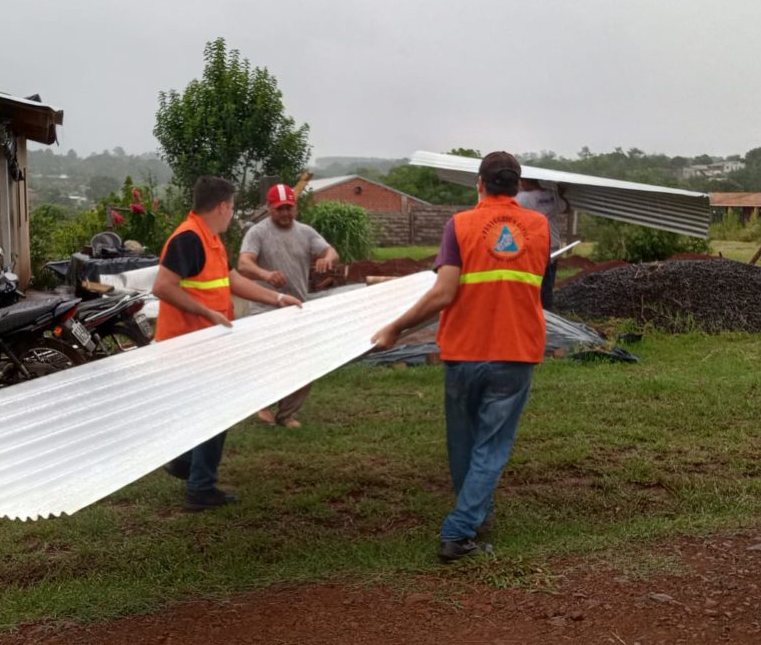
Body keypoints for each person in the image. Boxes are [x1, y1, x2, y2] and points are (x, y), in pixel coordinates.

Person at [372, 151, 550, 564]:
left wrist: (395, 328)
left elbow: (443, 292)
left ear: (480, 184)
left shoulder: (461, 225)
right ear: (518, 186)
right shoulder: (539, 227)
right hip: (514, 352)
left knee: (464, 444)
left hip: (464, 352)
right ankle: (462, 527)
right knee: (491, 446)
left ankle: (470, 515)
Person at [153, 175, 303, 511]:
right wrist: (206, 311)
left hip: (205, 344)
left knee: (207, 412)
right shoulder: (189, 238)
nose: (232, 214)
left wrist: (278, 297)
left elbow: (231, 279)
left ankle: (186, 465)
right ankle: (199, 486)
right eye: (232, 208)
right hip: (185, 346)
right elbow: (163, 286)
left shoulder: (211, 240)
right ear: (222, 206)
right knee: (216, 412)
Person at [237, 183, 339, 428]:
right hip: (266, 308)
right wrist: (265, 274)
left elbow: (331, 251)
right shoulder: (258, 233)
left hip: (297, 307)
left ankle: (286, 414)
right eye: (280, 208)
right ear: (270, 208)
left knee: (308, 361)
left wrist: (327, 258)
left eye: (289, 208)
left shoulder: (305, 232)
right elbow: (243, 264)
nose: (285, 213)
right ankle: (262, 405)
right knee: (271, 360)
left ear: (296, 207)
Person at [515, 177, 568, 310]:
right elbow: (565, 208)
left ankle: (541, 315)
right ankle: (547, 313)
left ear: (526, 181)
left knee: (535, 283)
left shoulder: (523, 198)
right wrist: (559, 193)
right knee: (548, 284)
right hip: (554, 244)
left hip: (537, 246)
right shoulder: (551, 194)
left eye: (521, 181)